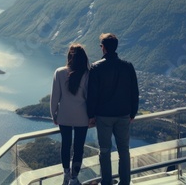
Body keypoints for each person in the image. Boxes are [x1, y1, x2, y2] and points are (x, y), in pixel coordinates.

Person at [87, 33, 139, 185]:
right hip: (123, 115)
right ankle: (125, 182)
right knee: (124, 151)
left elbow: (92, 95)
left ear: (103, 47)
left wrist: (91, 115)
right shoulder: (128, 66)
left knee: (104, 152)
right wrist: (133, 113)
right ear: (116, 47)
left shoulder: (96, 68)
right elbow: (134, 92)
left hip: (103, 116)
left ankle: (106, 182)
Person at [50, 43, 90, 185]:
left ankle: (66, 173)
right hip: (82, 117)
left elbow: (55, 97)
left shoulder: (59, 72)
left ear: (69, 57)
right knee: (79, 148)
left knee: (65, 145)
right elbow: (89, 97)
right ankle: (74, 177)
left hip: (64, 116)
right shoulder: (87, 74)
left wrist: (54, 114)